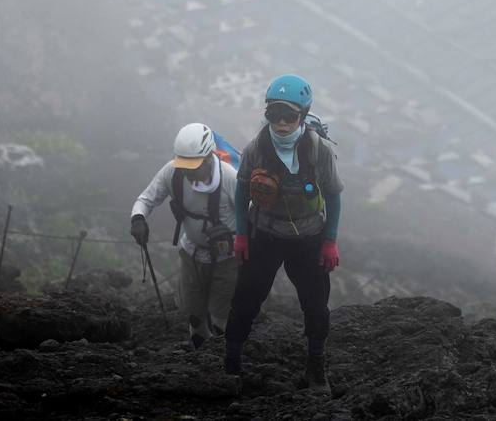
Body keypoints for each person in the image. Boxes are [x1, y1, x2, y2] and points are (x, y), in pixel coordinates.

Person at [224, 74, 343, 387]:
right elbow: (242, 191)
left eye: (289, 115)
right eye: (273, 114)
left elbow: (333, 195)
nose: (280, 123)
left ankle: (315, 369)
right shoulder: (256, 149)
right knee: (246, 298)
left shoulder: (319, 151)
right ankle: (231, 362)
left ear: (303, 115)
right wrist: (241, 234)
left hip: (308, 237)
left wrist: (330, 241)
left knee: (315, 306)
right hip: (264, 234)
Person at [130, 122, 239, 349]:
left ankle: (223, 356)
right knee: (194, 314)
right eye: (185, 166)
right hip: (192, 253)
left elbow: (251, 211)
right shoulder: (173, 172)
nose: (188, 172)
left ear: (208, 157)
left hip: (228, 257)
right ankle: (199, 352)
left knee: (221, 315)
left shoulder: (229, 177)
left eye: (194, 166)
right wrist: (138, 218)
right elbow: (146, 199)